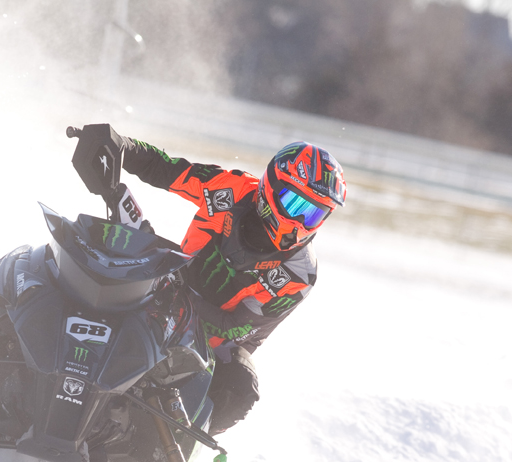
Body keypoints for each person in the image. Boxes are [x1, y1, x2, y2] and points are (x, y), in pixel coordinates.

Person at [111, 133, 347, 436]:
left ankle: (178, 442)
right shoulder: (231, 187)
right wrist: (122, 147)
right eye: (295, 203)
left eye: (314, 213)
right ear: (272, 186)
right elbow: (169, 169)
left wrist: (177, 295)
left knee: (242, 387)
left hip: (214, 340)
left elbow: (236, 327)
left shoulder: (299, 274)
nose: (300, 222)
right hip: (166, 287)